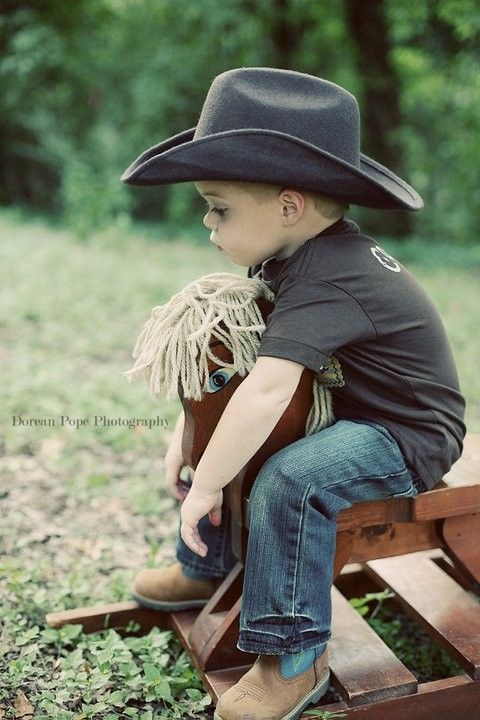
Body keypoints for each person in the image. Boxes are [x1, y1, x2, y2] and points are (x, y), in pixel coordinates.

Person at [121, 68, 466, 720]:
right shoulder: (290, 258)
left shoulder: (331, 277)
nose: (206, 220)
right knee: (236, 430)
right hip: (352, 411)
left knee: (292, 476)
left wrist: (203, 488)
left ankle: (294, 655)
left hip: (407, 431)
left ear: (288, 207)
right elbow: (243, 376)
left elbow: (270, 390)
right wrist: (189, 440)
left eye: (219, 207)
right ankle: (204, 563)